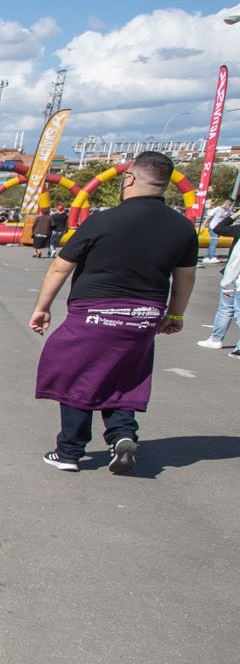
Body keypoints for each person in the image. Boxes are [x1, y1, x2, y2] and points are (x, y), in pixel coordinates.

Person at [30, 151, 197, 475]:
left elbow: (60, 267)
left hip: (95, 311)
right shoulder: (182, 228)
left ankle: (69, 450)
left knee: (77, 373)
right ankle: (121, 435)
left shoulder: (102, 221)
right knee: (123, 373)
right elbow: (185, 276)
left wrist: (42, 308)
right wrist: (175, 316)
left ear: (130, 179)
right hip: (143, 317)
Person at [196, 211, 240, 353]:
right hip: (234, 280)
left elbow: (219, 228)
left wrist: (235, 214)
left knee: (230, 310)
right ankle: (216, 338)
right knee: (227, 309)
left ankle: (216, 339)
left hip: (234, 281)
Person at [200, 196, 231, 265]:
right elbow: (208, 218)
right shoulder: (217, 209)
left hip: (219, 228)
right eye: (229, 204)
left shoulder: (228, 211)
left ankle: (206, 257)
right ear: (226, 203)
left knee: (213, 242)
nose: (230, 205)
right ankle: (212, 256)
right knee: (214, 241)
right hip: (212, 227)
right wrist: (203, 226)